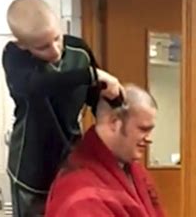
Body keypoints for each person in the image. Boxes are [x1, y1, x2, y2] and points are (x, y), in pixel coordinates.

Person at [2, 0, 122, 216]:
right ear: (23, 45)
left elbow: (98, 97)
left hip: (71, 159)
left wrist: (117, 107)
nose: (55, 51)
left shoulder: (79, 51)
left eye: (57, 39)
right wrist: (90, 75)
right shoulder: (15, 57)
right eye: (42, 47)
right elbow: (35, 86)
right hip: (31, 167)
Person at [45, 84, 165, 217]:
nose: (149, 139)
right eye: (143, 129)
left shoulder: (136, 172)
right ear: (114, 122)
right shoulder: (79, 191)